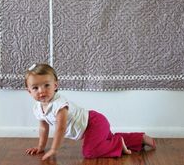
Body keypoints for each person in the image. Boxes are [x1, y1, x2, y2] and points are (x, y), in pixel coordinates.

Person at [25, 63, 156, 161]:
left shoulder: (59, 104)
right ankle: (140, 138)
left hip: (94, 123)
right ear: (29, 91)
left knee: (89, 152)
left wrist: (54, 149)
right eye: (35, 88)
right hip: (93, 125)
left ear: (55, 85)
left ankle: (118, 143)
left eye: (46, 85)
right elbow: (43, 127)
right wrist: (41, 146)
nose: (41, 91)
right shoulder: (37, 108)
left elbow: (61, 128)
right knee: (105, 140)